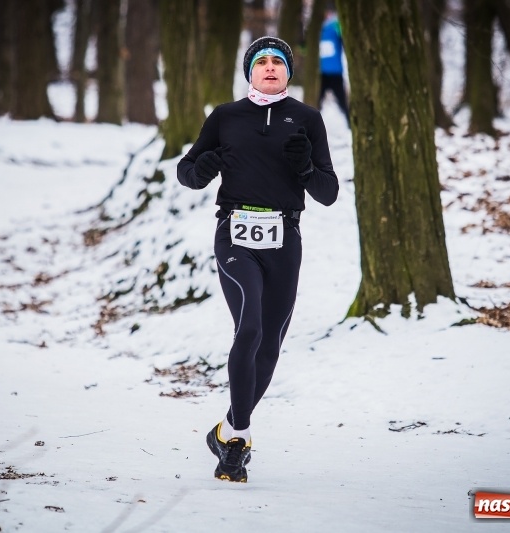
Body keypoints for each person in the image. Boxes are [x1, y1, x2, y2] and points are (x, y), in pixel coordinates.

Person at [177, 36, 339, 483]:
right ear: (249, 71)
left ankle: (228, 427)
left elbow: (328, 193)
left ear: (289, 72)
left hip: (285, 238)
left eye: (278, 62)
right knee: (248, 324)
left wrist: (306, 168)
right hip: (235, 235)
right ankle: (239, 441)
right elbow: (187, 171)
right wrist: (203, 169)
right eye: (261, 61)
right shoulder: (226, 117)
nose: (270, 67)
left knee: (269, 343)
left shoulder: (308, 118)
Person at [318, 6, 350, 125]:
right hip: (322, 72)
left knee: (342, 103)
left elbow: (344, 40)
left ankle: (351, 125)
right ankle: (310, 128)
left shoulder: (336, 24)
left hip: (335, 72)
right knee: (316, 103)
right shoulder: (318, 27)